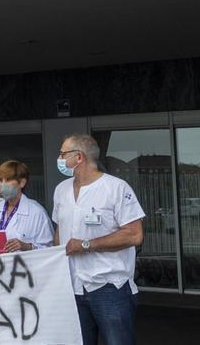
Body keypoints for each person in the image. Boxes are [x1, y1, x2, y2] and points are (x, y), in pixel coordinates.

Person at [52, 133, 145, 345]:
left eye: (62, 153)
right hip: (72, 286)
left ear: (79, 157)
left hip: (109, 286)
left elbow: (134, 234)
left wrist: (86, 245)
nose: (59, 158)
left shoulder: (116, 188)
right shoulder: (61, 190)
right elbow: (59, 231)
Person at [0, 160, 52, 253]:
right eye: (0, 181)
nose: (2, 185)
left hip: (25, 266)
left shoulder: (36, 212)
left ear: (22, 183)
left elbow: (49, 251)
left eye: (7, 180)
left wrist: (27, 246)